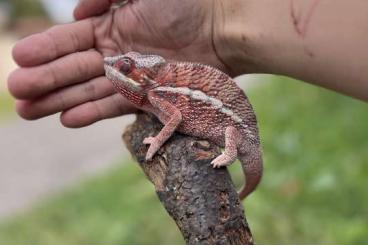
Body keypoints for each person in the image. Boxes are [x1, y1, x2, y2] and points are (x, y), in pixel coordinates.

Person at [7, 0, 368, 128]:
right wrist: (218, 17)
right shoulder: (152, 90)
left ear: (142, 73)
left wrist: (158, 139)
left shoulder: (156, 93)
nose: (116, 67)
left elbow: (175, 117)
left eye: (128, 68)